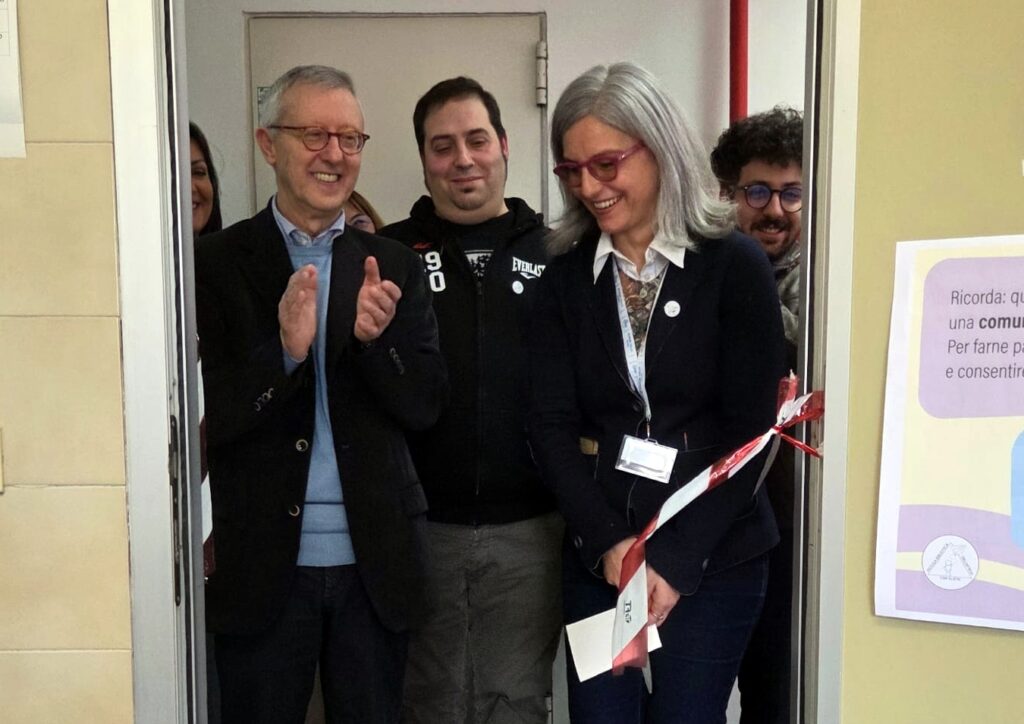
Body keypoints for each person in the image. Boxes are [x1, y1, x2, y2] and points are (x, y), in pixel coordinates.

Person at [528, 62, 785, 723]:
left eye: (606, 164)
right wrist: (611, 546)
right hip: (604, 554)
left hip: (715, 552)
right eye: (572, 171)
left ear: (660, 147)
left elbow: (752, 435)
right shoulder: (563, 276)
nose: (589, 187)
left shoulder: (734, 266)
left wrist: (671, 561)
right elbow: (549, 427)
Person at [195, 65, 447, 724]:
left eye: (350, 138)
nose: (334, 154)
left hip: (374, 566)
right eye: (314, 135)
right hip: (260, 565)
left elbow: (425, 406)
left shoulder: (392, 263)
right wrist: (283, 353)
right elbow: (210, 415)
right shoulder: (214, 264)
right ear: (268, 144)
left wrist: (376, 343)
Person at [379, 77, 561, 724]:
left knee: (514, 704)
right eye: (442, 146)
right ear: (423, 158)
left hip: (530, 533)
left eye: (477, 140)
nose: (463, 159)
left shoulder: (559, 253)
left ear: (504, 145)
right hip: (419, 530)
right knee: (426, 703)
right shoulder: (386, 256)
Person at [711, 106, 804, 724]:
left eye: (791, 192)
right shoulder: (698, 271)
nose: (774, 209)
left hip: (795, 518)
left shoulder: (830, 280)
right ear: (728, 194)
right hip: (710, 516)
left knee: (775, 692)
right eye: (758, 192)